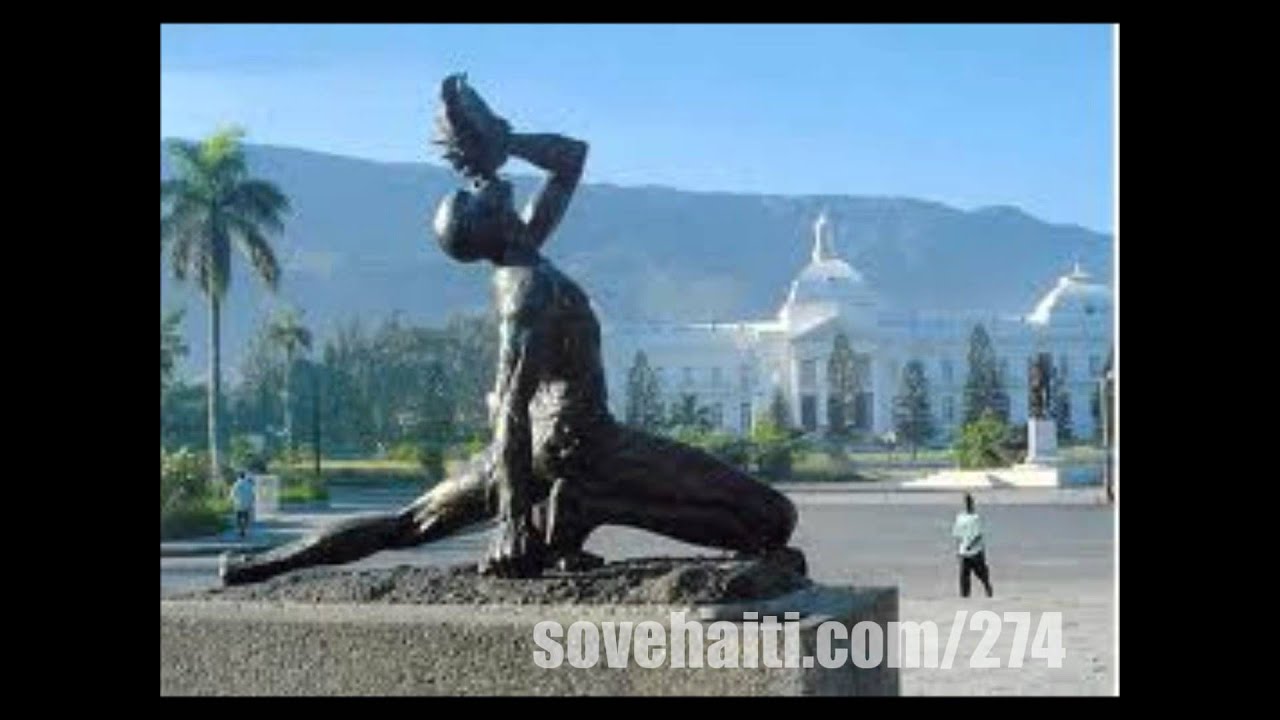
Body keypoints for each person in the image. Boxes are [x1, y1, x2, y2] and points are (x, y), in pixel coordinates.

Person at [219, 75, 796, 585]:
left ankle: (257, 566)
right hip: (579, 442)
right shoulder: (526, 289)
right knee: (773, 519)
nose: (485, 184)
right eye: (475, 197)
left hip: (545, 444)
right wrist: (513, 521)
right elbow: (510, 406)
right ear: (489, 226)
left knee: (408, 523)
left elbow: (571, 158)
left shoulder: (526, 247)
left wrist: (503, 139)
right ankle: (594, 503)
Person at [953, 493, 993, 598]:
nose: (969, 505)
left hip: (976, 551)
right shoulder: (960, 518)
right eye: (967, 503)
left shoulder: (975, 518)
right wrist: (960, 549)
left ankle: (988, 590)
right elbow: (958, 535)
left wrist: (970, 546)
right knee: (964, 576)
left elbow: (978, 536)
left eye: (969, 503)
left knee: (981, 574)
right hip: (965, 552)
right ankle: (965, 596)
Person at [230, 471, 256, 539]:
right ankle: (244, 529)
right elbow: (252, 494)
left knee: (238, 517)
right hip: (247, 504)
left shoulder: (236, 484)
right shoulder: (248, 484)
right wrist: (251, 502)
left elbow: (232, 494)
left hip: (238, 504)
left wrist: (232, 501)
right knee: (246, 517)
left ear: (238, 476)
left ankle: (240, 529)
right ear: (244, 476)